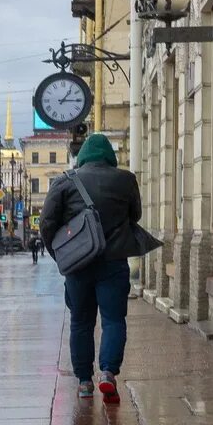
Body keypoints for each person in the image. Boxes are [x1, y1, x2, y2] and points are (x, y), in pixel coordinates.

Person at [40, 134, 143, 404]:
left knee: (81, 322)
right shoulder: (126, 180)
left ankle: (85, 381)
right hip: (114, 262)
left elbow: (46, 224)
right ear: (110, 157)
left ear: (82, 156)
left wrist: (60, 256)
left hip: (78, 264)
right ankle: (108, 373)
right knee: (113, 320)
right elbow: (136, 215)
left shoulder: (65, 182)